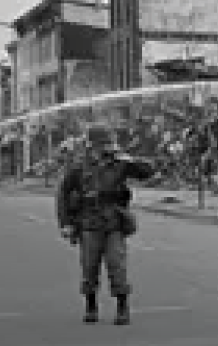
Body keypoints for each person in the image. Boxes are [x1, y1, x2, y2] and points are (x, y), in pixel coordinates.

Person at [56, 125, 153, 324]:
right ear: (92, 145)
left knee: (117, 266)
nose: (106, 147)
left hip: (114, 222)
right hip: (89, 223)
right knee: (89, 268)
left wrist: (130, 160)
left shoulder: (119, 164)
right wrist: (65, 223)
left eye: (108, 143)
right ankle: (91, 305)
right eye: (103, 144)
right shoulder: (79, 167)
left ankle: (122, 306)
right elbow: (64, 194)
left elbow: (147, 172)